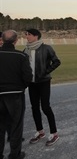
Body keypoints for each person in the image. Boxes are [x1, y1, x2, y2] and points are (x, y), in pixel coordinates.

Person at [24, 28, 61, 146]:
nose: (27, 37)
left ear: (36, 36)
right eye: (26, 34)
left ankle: (54, 133)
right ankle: (40, 132)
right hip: (32, 83)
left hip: (44, 81)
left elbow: (56, 62)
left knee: (45, 107)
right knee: (34, 108)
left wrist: (45, 72)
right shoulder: (26, 50)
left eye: (29, 35)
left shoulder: (46, 48)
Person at [0, 30, 33, 159]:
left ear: (2, 39)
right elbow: (28, 77)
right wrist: (21, 87)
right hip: (15, 95)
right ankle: (15, 154)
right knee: (16, 125)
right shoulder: (21, 56)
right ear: (16, 40)